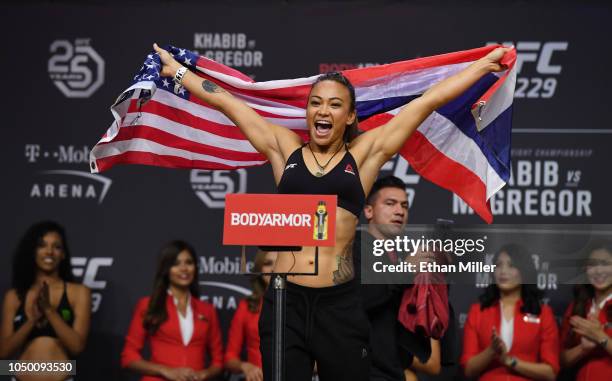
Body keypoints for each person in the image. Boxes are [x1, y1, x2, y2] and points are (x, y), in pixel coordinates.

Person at [153, 42, 509, 381]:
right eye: (316, 103)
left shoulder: (364, 155)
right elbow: (229, 104)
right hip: (284, 303)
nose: (323, 111)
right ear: (307, 111)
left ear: (350, 115)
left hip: (339, 307)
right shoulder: (283, 147)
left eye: (335, 105)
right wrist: (178, 73)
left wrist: (482, 66)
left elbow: (426, 102)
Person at [355, 175, 442, 381]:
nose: (399, 211)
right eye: (390, 203)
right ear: (368, 211)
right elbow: (363, 298)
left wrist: (435, 283)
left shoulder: (404, 257)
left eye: (404, 205)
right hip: (362, 371)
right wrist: (406, 270)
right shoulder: (354, 248)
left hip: (395, 372)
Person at [0, 221, 91, 381]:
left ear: (63, 254)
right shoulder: (14, 296)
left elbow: (77, 347)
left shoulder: (78, 292)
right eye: (42, 245)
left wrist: (49, 311)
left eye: (56, 247)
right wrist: (32, 320)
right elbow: (3, 354)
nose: (49, 252)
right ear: (32, 251)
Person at [121, 241, 223, 381]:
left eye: (189, 262)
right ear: (166, 269)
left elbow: (218, 361)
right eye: (176, 264)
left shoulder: (207, 310)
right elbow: (128, 356)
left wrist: (204, 374)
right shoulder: (148, 305)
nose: (184, 268)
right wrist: (165, 371)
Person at [461, 243, 559, 381]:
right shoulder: (478, 311)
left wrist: (510, 361)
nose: (503, 271)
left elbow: (550, 373)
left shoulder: (543, 313)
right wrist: (491, 351)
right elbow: (468, 370)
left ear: (524, 271)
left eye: (511, 265)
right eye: (498, 265)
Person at [560, 241, 612, 380]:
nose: (599, 271)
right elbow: (561, 360)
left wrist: (601, 337)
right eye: (593, 265)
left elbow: (600, 338)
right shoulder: (578, 306)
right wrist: (583, 349)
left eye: (605, 264)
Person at [224, 250, 277, 381]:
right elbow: (230, 358)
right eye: (268, 263)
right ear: (259, 269)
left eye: (279, 263)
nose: (274, 269)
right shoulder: (247, 306)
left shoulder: (300, 305)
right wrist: (246, 367)